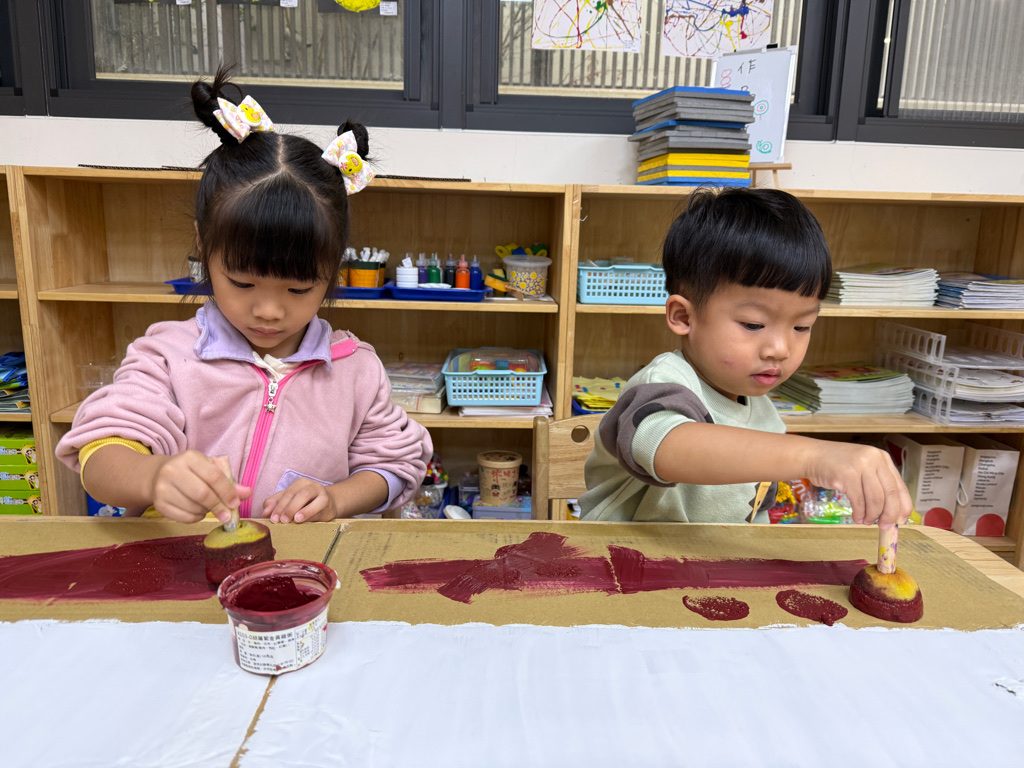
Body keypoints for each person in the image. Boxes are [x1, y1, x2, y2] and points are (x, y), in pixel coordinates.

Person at [56, 69, 432, 524]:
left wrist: (337, 499)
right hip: (185, 558)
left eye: (298, 289)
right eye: (242, 283)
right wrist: (153, 476)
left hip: (302, 562)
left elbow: (395, 465)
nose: (269, 311)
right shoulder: (170, 356)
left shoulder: (355, 370)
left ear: (333, 268)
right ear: (204, 246)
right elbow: (101, 454)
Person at [580, 186, 911, 527]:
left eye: (802, 326)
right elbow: (667, 446)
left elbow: (752, 515)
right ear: (683, 317)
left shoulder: (764, 414)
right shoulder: (663, 385)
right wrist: (814, 455)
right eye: (753, 324)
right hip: (617, 555)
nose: (780, 349)